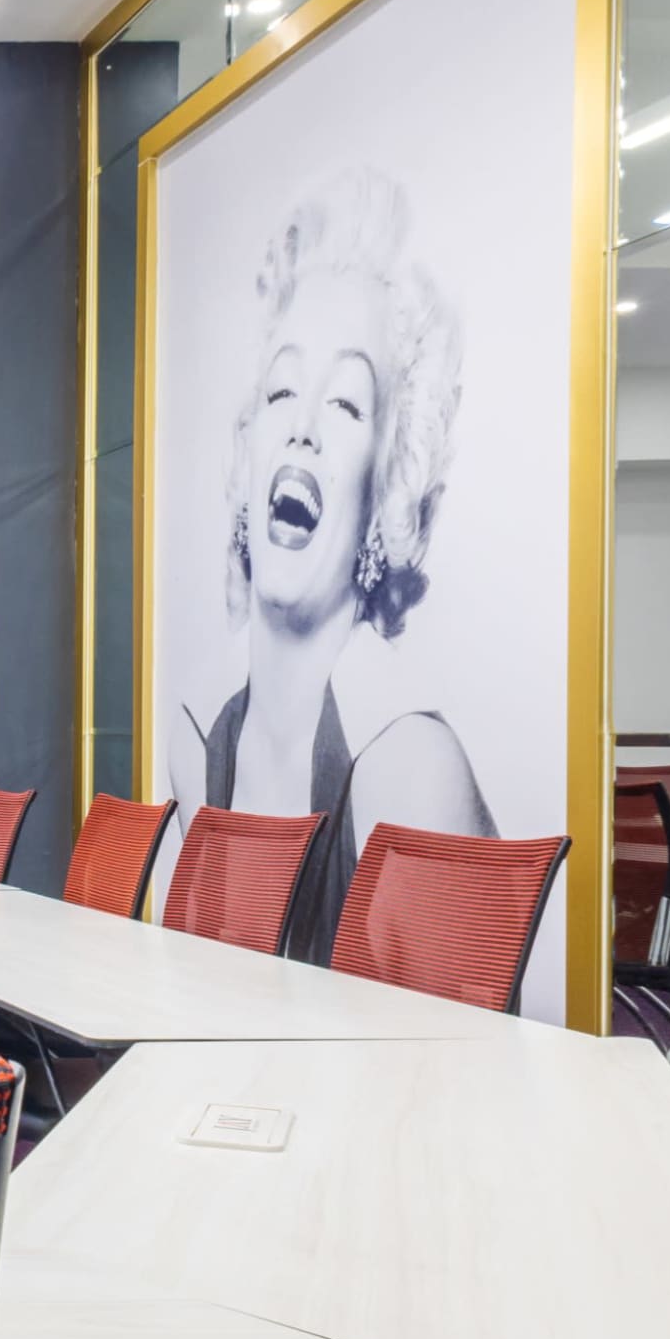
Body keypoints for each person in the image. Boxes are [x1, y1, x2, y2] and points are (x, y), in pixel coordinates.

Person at [168, 169, 491, 938]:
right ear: (247, 451)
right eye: (281, 393)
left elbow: (459, 1058)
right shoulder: (194, 744)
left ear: (385, 489)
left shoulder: (412, 773)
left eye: (347, 403)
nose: (303, 426)